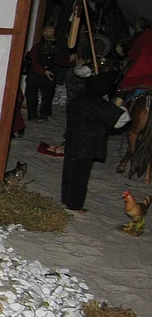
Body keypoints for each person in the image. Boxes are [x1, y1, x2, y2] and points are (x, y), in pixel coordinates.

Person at [61, 72, 129, 213]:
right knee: (80, 176)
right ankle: (75, 205)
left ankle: (66, 200)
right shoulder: (97, 104)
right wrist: (119, 105)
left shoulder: (78, 99)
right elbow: (120, 120)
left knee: (69, 172)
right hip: (86, 146)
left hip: (72, 141)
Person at [25, 26, 75, 121]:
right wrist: (44, 71)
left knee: (48, 95)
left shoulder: (54, 48)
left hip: (47, 76)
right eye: (49, 33)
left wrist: (70, 61)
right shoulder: (37, 48)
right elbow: (33, 62)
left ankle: (45, 114)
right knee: (32, 97)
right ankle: (33, 116)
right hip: (35, 75)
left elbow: (60, 60)